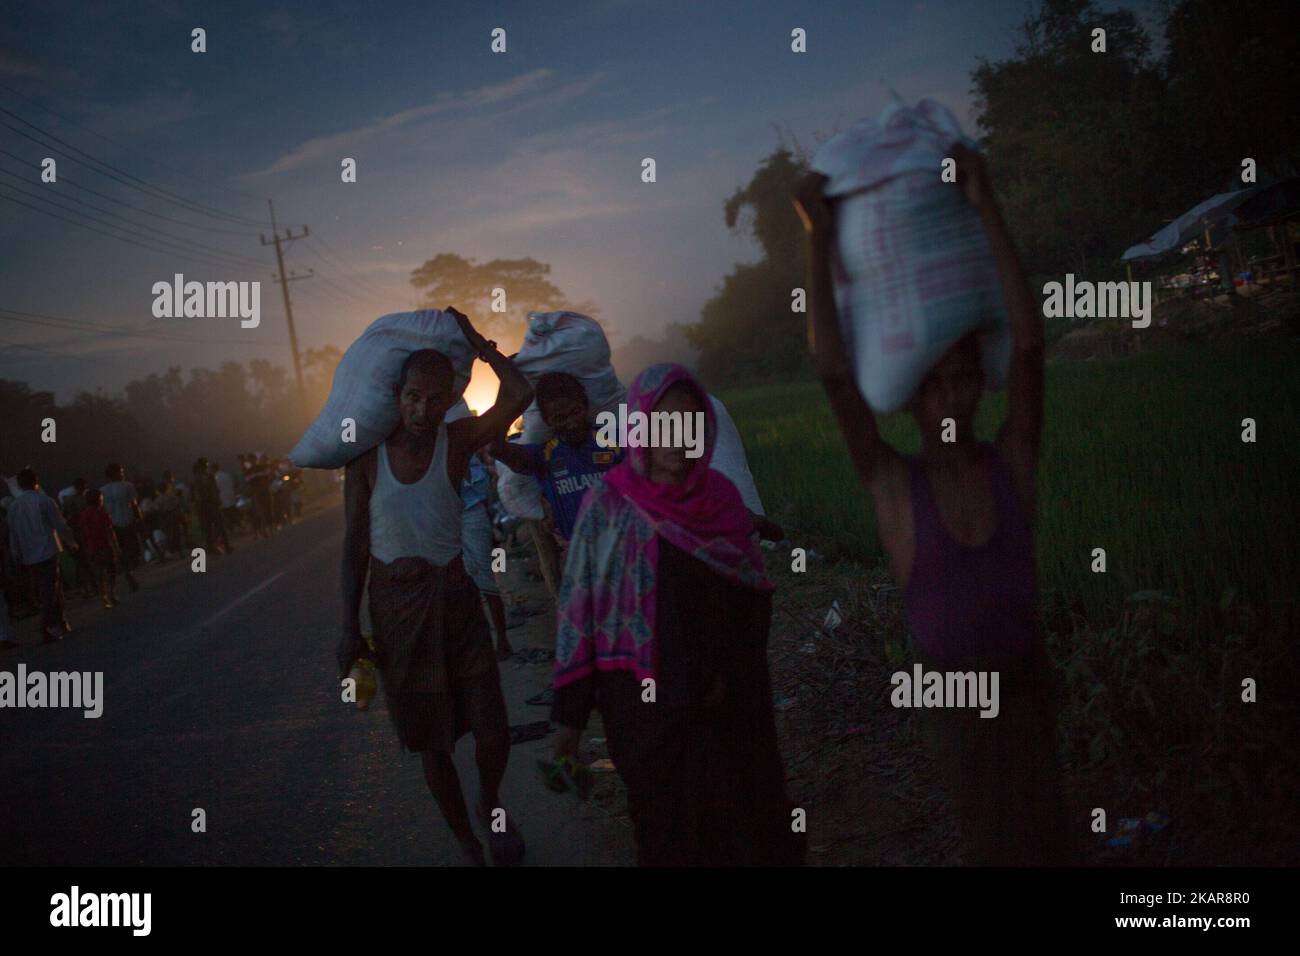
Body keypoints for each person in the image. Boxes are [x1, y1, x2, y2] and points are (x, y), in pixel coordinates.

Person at [793, 145, 1073, 865]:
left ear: (981, 385)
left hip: (1025, 676)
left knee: (1048, 833)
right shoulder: (893, 484)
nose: (952, 396)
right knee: (992, 839)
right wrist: (817, 236)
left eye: (964, 379)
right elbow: (832, 373)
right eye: (935, 384)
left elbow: (1032, 346)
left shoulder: (1011, 461)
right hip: (954, 694)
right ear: (911, 397)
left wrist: (988, 205)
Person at [550, 363, 803, 866]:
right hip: (644, 714)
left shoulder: (723, 502)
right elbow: (581, 614)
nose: (676, 438)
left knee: (751, 828)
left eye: (689, 423)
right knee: (670, 835)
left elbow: (755, 601)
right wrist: (569, 721)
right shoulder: (607, 507)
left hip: (730, 708)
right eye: (662, 423)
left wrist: (725, 674)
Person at [337, 307, 534, 866]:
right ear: (396, 395)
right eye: (413, 397)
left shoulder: (458, 441)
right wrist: (348, 627)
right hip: (397, 614)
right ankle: (469, 845)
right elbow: (353, 547)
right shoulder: (365, 459)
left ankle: (488, 800)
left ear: (450, 398)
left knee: (493, 731)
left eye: (434, 398)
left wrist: (479, 342)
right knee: (432, 742)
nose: (423, 410)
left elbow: (518, 394)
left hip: (456, 603)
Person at [6, 467, 76, 642]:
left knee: (47, 590)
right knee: (50, 590)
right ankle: (46, 626)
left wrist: (16, 556)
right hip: (48, 551)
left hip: (28, 555)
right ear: (36, 482)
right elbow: (60, 525)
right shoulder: (44, 501)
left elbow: (13, 535)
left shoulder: (14, 507)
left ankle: (61, 621)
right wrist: (71, 542)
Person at [461, 448, 513, 661]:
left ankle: (502, 639)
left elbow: (478, 478)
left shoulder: (457, 436)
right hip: (445, 514)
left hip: (470, 512)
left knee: (486, 579)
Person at [101, 464, 142, 592]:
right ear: (114, 474)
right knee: (133, 550)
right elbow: (134, 504)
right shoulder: (127, 486)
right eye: (121, 472)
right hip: (127, 522)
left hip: (113, 524)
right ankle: (129, 574)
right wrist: (140, 519)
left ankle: (127, 573)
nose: (122, 474)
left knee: (121, 551)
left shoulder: (102, 490)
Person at [78, 488, 121, 609]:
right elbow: (110, 530)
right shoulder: (102, 513)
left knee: (100, 573)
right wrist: (116, 545)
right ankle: (111, 593)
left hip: (92, 547)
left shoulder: (84, 514)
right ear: (98, 499)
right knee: (111, 570)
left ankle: (104, 598)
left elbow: (83, 533)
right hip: (105, 545)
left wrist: (85, 549)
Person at [191, 457, 231, 555]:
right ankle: (226, 546)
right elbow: (214, 490)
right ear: (204, 465)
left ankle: (211, 549)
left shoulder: (194, 478)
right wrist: (217, 501)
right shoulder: (208, 476)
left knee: (207, 529)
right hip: (211, 504)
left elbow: (193, 495)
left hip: (202, 506)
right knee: (220, 526)